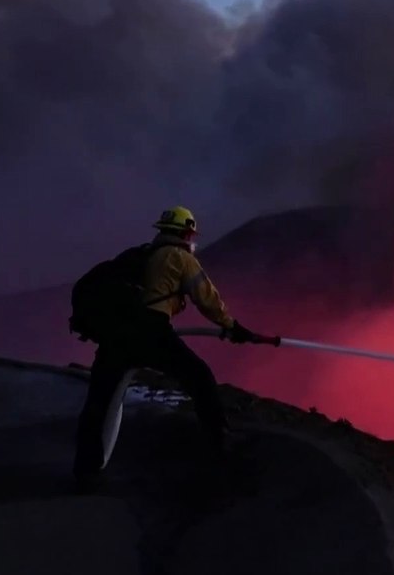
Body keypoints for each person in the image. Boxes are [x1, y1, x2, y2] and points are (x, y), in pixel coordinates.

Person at [72, 206, 259, 490]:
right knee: (199, 378)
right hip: (151, 331)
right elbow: (206, 299)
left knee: (100, 400)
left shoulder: (141, 255)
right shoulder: (179, 257)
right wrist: (232, 326)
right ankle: (222, 447)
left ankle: (86, 471)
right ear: (187, 234)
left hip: (116, 336)